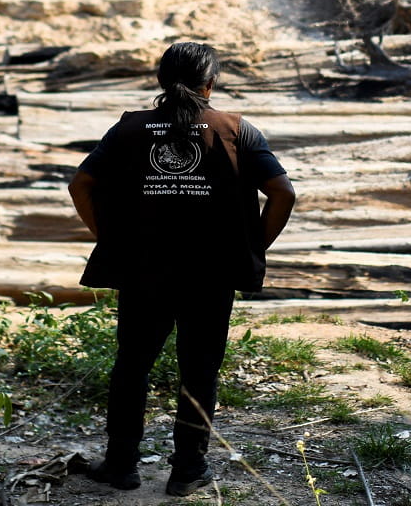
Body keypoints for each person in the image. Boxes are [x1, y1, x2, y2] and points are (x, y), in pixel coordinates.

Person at [67, 41, 298, 496]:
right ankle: (187, 470)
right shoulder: (236, 130)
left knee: (132, 365)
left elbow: (81, 185)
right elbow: (284, 194)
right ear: (210, 84)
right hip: (211, 275)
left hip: (143, 270)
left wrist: (108, 238)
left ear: (161, 81)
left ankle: (121, 466)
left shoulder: (130, 129)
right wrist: (254, 246)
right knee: (200, 369)